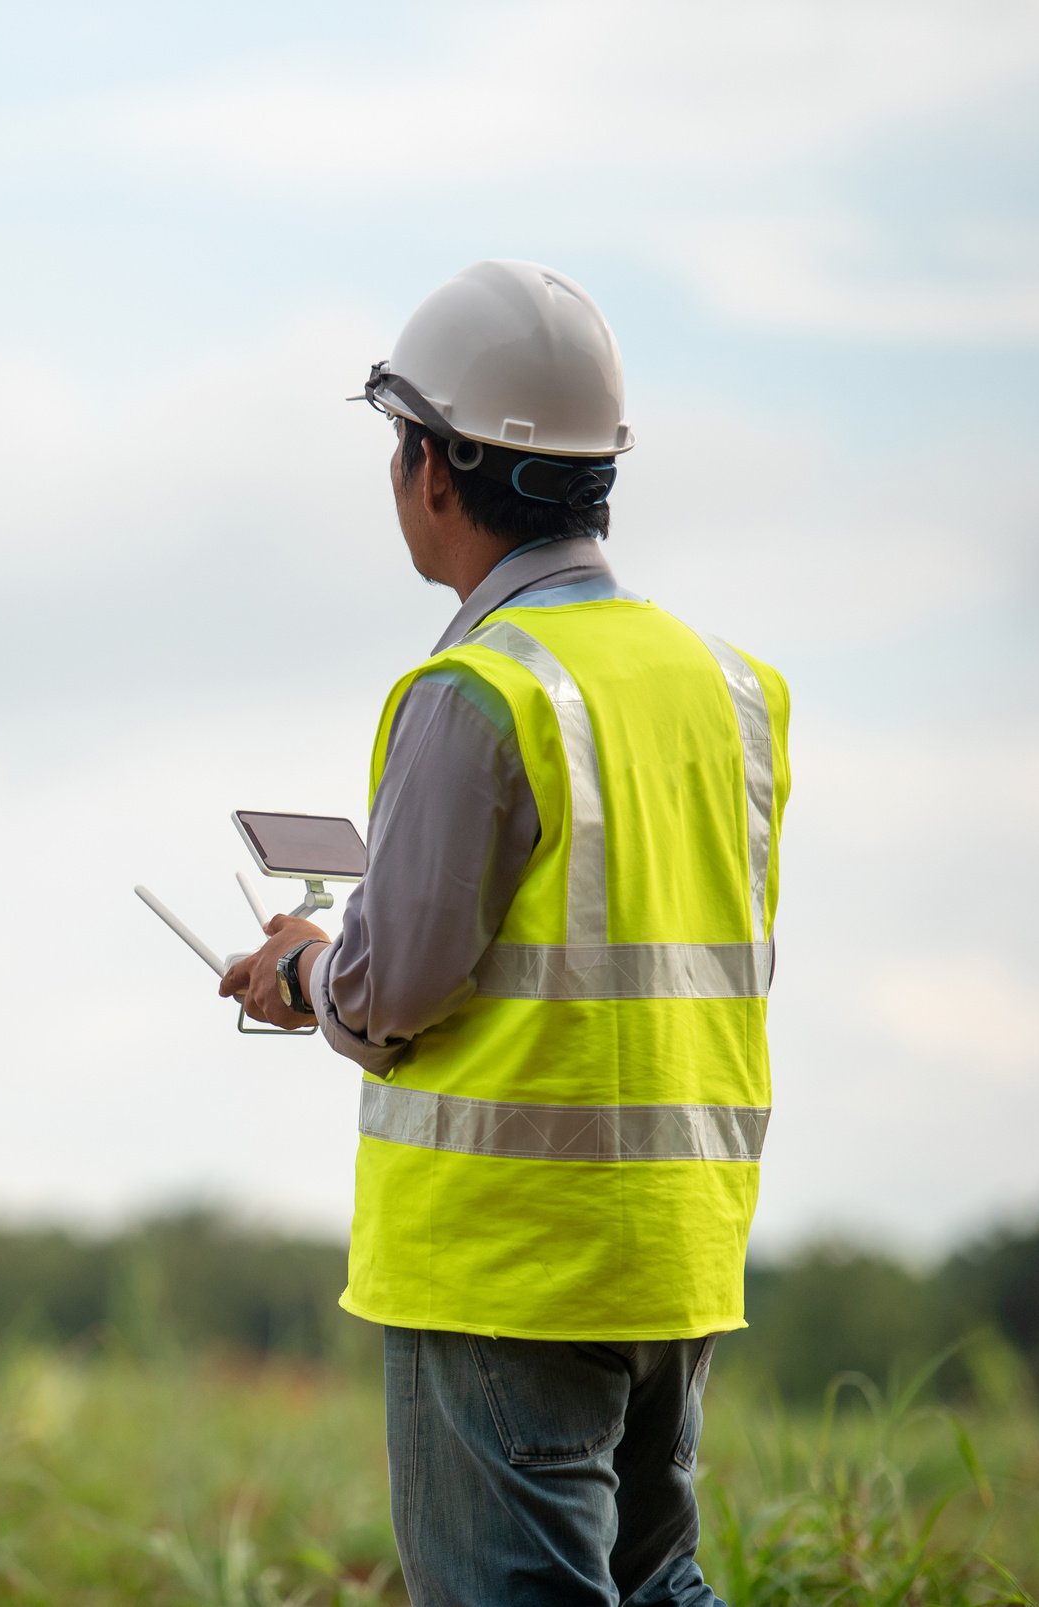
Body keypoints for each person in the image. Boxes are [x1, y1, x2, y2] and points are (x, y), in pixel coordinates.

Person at [221, 260, 790, 1607]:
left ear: (432, 467)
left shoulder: (477, 689)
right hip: (678, 1249)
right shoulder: (733, 690)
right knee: (657, 1587)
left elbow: (393, 991)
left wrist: (303, 967)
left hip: (509, 1271)